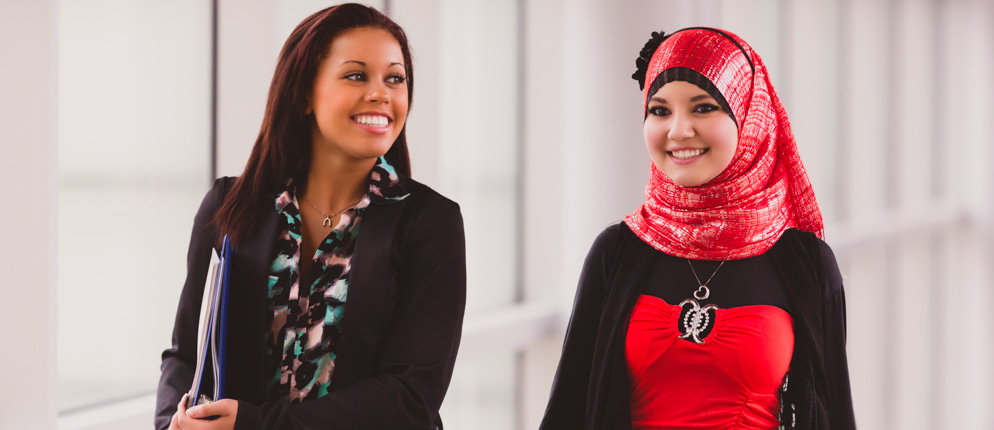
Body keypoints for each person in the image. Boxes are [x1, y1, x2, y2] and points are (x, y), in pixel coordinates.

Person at [154, 4, 466, 429]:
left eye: (395, 78)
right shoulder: (229, 205)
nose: (381, 93)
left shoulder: (430, 224)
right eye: (357, 75)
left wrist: (255, 424)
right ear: (303, 94)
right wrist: (172, 424)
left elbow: (410, 398)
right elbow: (186, 353)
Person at [539, 27, 856, 429]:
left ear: (749, 115)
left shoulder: (804, 262)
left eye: (703, 108)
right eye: (660, 110)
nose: (678, 130)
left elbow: (834, 414)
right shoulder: (617, 251)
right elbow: (567, 410)